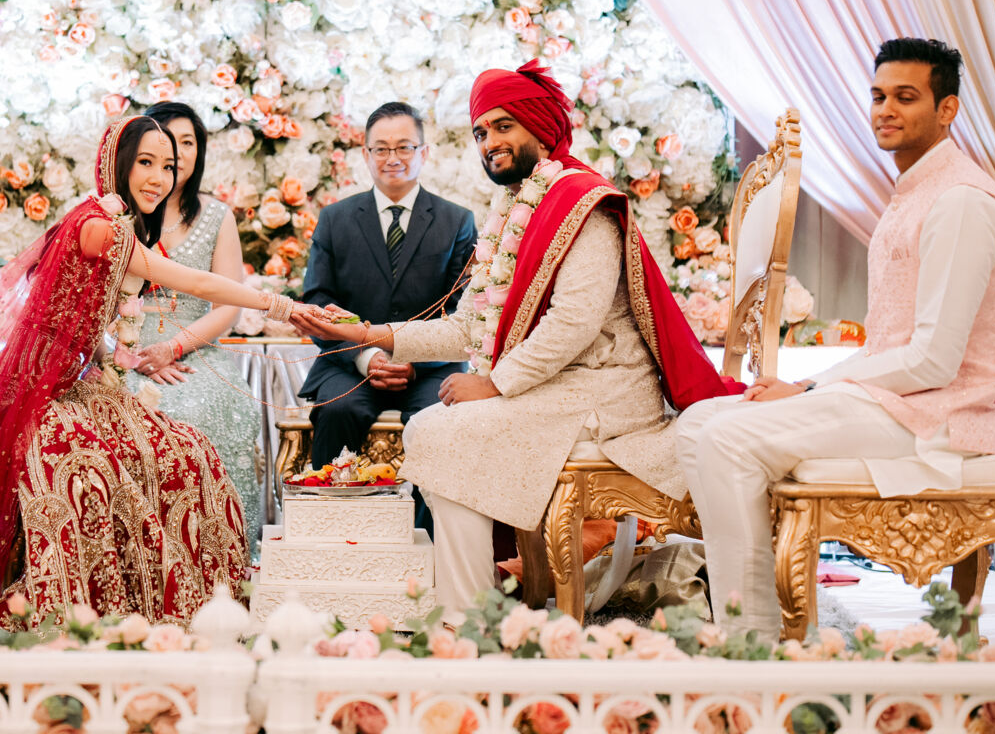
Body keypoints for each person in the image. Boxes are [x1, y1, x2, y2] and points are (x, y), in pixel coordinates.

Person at [293, 62, 741, 611]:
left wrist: (495, 384)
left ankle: (468, 611)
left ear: (540, 129)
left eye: (503, 127)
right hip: (558, 388)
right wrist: (370, 333)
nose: (490, 142)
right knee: (436, 431)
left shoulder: (582, 204)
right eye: (481, 132)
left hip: (604, 395)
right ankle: (472, 609)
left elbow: (574, 321)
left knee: (436, 430)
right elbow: (469, 326)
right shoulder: (517, 209)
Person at [674, 39, 995, 642]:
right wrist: (808, 387)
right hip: (897, 402)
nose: (886, 110)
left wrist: (809, 388)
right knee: (698, 422)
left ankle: (752, 643)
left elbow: (934, 361)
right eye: (879, 96)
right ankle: (761, 612)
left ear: (947, 109)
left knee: (729, 439)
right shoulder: (916, 192)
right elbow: (891, 342)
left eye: (906, 97)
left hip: (943, 419)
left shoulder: (962, 202)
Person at [0, 115, 321, 624]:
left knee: (189, 450)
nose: (159, 178)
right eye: (146, 163)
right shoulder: (100, 227)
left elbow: (76, 316)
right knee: (131, 464)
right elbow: (196, 283)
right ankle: (125, 607)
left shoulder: (111, 220)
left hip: (71, 383)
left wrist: (107, 359)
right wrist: (283, 306)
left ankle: (187, 602)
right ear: (116, 164)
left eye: (167, 166)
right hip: (38, 394)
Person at [298, 102, 477, 468]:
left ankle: (428, 510)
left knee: (438, 420)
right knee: (338, 409)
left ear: (424, 152)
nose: (392, 158)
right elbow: (317, 301)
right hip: (348, 364)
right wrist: (365, 357)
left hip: (431, 367)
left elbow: (462, 308)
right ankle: (333, 506)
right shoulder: (334, 219)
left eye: (404, 147)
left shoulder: (457, 221)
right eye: (381, 148)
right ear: (366, 154)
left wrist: (412, 358)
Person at [123, 101, 264, 547]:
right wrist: (130, 353)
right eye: (166, 143)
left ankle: (218, 548)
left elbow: (226, 303)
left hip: (194, 347)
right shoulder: (118, 213)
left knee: (207, 406)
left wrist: (174, 347)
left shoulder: (217, 216)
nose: (177, 154)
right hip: (123, 345)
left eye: (187, 143)